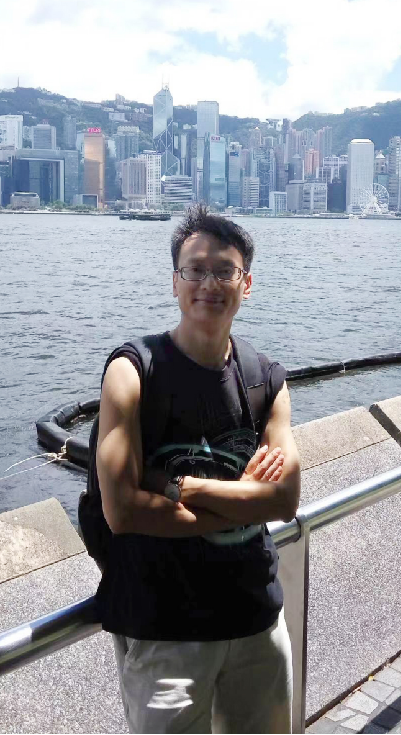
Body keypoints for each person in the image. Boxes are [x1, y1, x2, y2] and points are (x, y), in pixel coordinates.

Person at [95, 205, 301, 734]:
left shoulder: (266, 379)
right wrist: (241, 502)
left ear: (246, 284)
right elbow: (123, 511)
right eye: (195, 270)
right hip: (164, 631)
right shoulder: (132, 372)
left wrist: (179, 486)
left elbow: (283, 500)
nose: (209, 283)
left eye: (224, 271)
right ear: (175, 282)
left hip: (255, 617)